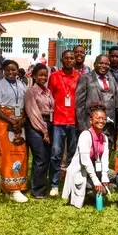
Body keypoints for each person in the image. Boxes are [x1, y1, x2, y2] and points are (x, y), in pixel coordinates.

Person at [0, 59, 29, 203]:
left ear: (18, 71)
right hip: (5, 123)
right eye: (7, 70)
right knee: (6, 154)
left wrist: (22, 121)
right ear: (3, 71)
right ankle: (10, 188)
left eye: (13, 70)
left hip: (19, 124)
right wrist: (12, 121)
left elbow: (26, 105)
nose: (11, 72)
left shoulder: (22, 85)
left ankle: (17, 185)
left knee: (21, 153)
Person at [63, 103, 112, 208]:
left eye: (104, 119)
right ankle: (86, 193)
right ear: (91, 120)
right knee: (97, 186)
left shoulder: (104, 137)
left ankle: (92, 192)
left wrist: (104, 176)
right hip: (81, 170)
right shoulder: (85, 135)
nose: (101, 121)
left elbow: (105, 159)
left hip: (95, 168)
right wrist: (96, 181)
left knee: (112, 175)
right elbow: (85, 162)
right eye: (98, 118)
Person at [47, 50, 79, 196]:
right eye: (66, 58)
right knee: (56, 153)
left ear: (75, 60)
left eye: (72, 58)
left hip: (74, 121)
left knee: (72, 154)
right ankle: (54, 184)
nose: (69, 60)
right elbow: (49, 97)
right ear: (62, 60)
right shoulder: (54, 76)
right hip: (58, 121)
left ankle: (69, 183)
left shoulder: (79, 77)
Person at [24, 63, 54, 199]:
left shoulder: (47, 91)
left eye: (45, 75)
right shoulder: (31, 92)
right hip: (36, 127)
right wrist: (44, 131)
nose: (43, 78)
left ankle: (42, 186)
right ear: (34, 76)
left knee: (46, 158)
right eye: (40, 75)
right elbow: (33, 113)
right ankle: (37, 190)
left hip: (48, 124)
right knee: (40, 158)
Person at [75, 54, 118, 147]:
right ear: (95, 64)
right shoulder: (85, 78)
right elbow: (79, 104)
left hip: (109, 127)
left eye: (106, 64)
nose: (103, 66)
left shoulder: (112, 79)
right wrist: (82, 127)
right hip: (90, 125)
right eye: (101, 63)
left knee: (106, 153)